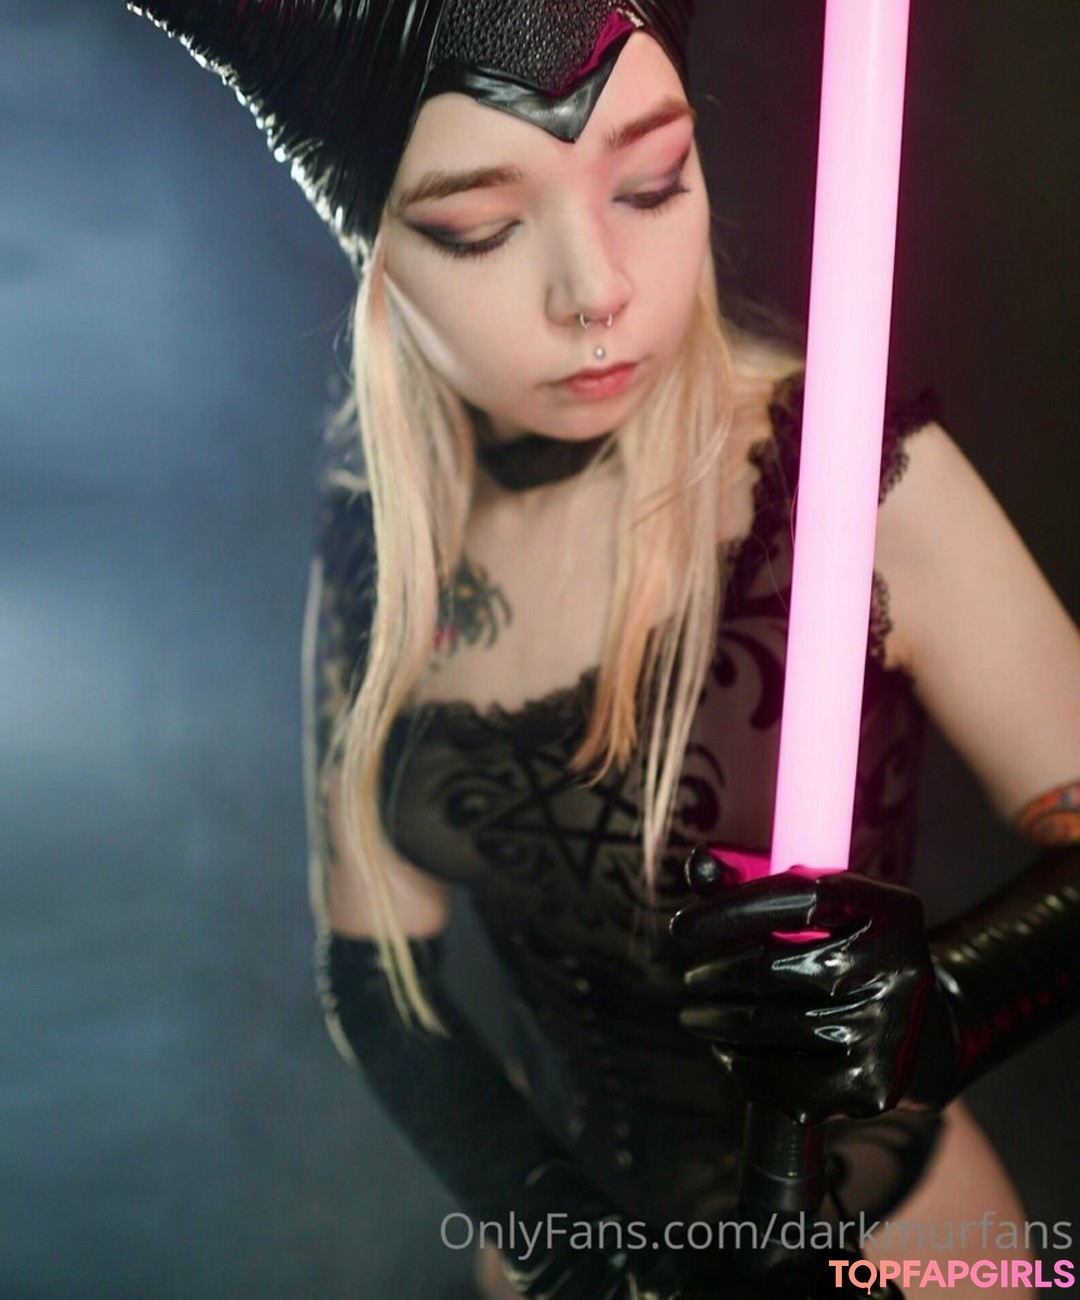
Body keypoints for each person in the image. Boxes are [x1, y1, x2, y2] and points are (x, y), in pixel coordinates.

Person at [131, 3, 1080, 1296]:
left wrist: (955, 1002)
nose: (597, 292)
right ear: (378, 252)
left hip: (902, 1252)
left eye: (652, 182)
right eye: (482, 226)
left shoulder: (848, 491)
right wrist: (563, 1242)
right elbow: (375, 975)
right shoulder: (380, 547)